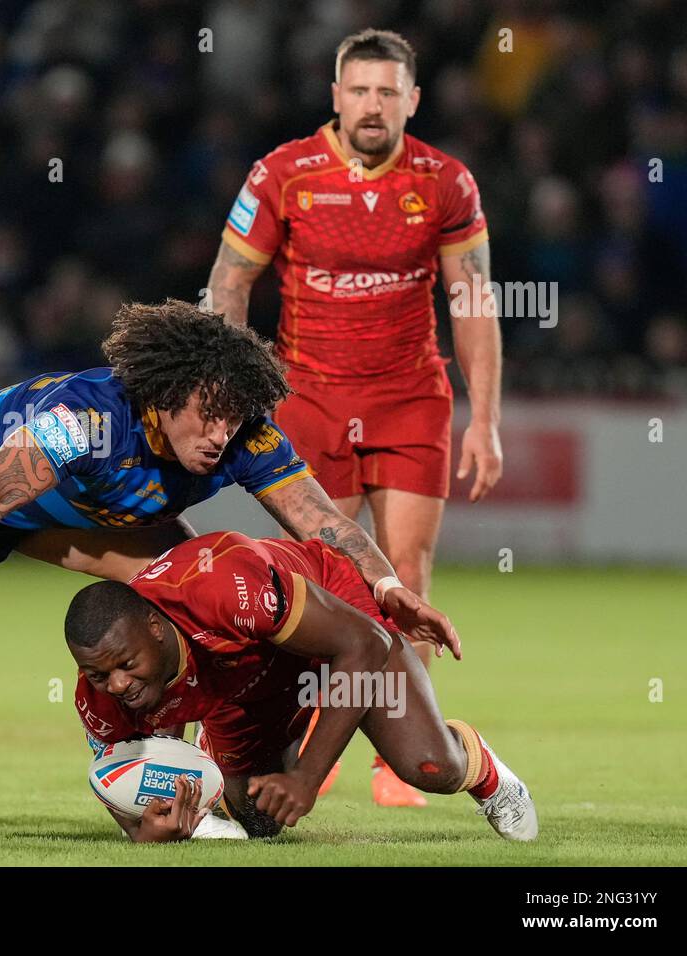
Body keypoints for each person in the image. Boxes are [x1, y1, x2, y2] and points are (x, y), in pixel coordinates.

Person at [0, 301, 455, 788]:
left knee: (187, 600)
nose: (221, 433)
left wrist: (388, 588)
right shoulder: (89, 420)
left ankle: (154, 767)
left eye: (234, 417)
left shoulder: (239, 432)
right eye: (207, 415)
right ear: (164, 396)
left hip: (74, 515)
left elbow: (323, 520)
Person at [205, 28, 503, 805]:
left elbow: (472, 303)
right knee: (326, 581)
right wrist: (234, 393)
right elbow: (229, 284)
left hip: (411, 396)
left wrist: (488, 418)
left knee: (404, 572)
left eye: (388, 91)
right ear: (335, 97)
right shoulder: (283, 173)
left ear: (413, 99)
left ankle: (405, 748)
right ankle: (317, 740)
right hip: (307, 396)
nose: (373, 105)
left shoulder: (446, 181)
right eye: (359, 90)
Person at [66, 531, 537, 843]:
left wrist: (307, 779)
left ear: (155, 626)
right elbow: (119, 783)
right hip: (241, 683)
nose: (118, 684)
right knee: (259, 820)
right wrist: (143, 835)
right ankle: (286, 732)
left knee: (429, 766)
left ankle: (484, 770)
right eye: (100, 675)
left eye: (126, 665)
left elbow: (364, 645)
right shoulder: (100, 694)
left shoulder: (222, 590)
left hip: (335, 628)